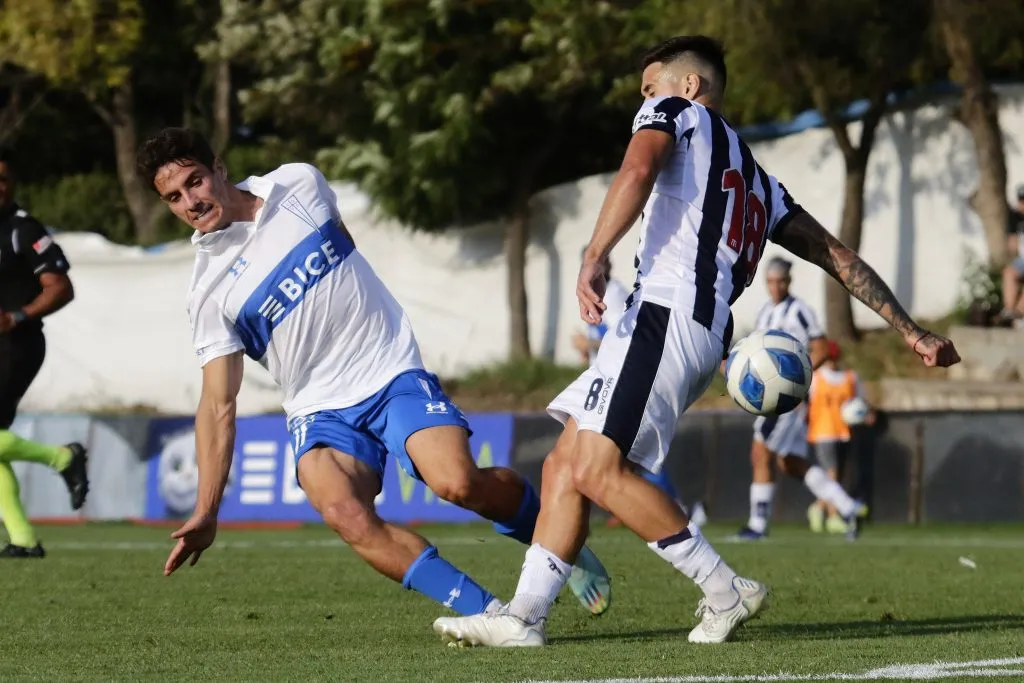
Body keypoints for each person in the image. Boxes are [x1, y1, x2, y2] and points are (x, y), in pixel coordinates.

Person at [431, 35, 959, 648]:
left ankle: (723, 590)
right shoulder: (762, 184)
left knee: (597, 470)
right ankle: (523, 617)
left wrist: (595, 254)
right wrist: (910, 330)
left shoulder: (678, 113)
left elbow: (637, 167)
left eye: (649, 88)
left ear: (688, 87)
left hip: (666, 312)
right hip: (681, 325)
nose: (643, 102)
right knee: (565, 465)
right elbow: (836, 255)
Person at [137, 128, 612, 618]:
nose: (190, 201)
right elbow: (218, 404)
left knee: (458, 484)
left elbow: (345, 245)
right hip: (317, 409)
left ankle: (556, 539)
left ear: (218, 167)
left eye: (194, 181)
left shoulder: (298, 184)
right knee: (345, 513)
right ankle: (492, 616)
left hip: (389, 372)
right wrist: (207, 510)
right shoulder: (207, 291)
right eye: (173, 197)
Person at [730, 258, 867, 542]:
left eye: (781, 281)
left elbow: (821, 349)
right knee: (789, 463)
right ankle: (847, 507)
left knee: (760, 453)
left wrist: (796, 379)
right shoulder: (765, 312)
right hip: (769, 395)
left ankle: (758, 525)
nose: (776, 286)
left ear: (789, 282)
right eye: (770, 281)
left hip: (786, 399)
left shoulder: (800, 311)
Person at [0, 148, 89, 558]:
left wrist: (19, 315)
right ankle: (22, 540)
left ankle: (60, 457)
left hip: (16, 345)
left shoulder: (23, 229)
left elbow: (60, 287)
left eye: (3, 179)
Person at [571, 249, 690, 524]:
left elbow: (621, 336)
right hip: (603, 378)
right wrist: (586, 353)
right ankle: (628, 509)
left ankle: (677, 508)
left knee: (632, 453)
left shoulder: (613, 292)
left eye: (605, 259)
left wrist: (586, 345)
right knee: (625, 455)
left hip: (619, 379)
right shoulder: (597, 293)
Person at [806, 340, 874, 534]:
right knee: (832, 472)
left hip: (844, 432)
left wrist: (865, 413)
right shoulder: (816, 378)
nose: (832, 362)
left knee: (837, 475)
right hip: (822, 432)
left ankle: (818, 508)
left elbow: (859, 402)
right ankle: (833, 516)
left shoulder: (850, 377)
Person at [998, 185, 1024, 323]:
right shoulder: (1014, 217)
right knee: (1009, 273)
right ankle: (1009, 311)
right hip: (1022, 260)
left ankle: (1019, 311)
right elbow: (1012, 244)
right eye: (1021, 200)